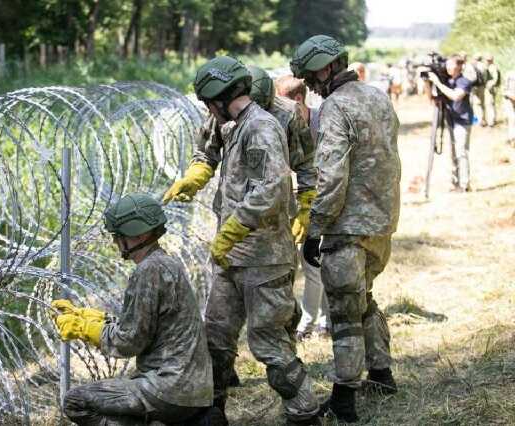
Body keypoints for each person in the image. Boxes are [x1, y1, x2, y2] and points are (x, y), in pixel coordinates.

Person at [163, 56, 321, 426]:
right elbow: (209, 152)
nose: (207, 110)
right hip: (232, 256)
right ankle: (210, 411)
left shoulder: (263, 126)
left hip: (265, 257)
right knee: (215, 337)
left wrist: (234, 228)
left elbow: (271, 188)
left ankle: (304, 414)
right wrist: (196, 176)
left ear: (219, 97)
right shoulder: (232, 123)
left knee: (270, 344)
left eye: (207, 102)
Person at [290, 35, 401, 422]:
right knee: (364, 299)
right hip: (382, 223)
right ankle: (382, 373)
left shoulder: (336, 107)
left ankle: (344, 399)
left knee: (344, 314)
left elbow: (332, 177)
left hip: (347, 227)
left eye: (310, 78)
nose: (311, 88)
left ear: (326, 68)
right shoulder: (378, 96)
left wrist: (316, 228)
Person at [53, 193, 214, 426]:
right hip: (192, 388)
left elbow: (129, 341)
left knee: (76, 401)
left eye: (118, 236)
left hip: (170, 388)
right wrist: (93, 317)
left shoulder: (149, 270)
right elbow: (143, 325)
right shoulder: (164, 263)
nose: (115, 242)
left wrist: (85, 329)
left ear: (139, 233)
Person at [275, 74, 331, 340]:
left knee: (314, 262)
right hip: (301, 204)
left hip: (326, 202)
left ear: (298, 99)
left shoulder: (324, 123)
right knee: (311, 263)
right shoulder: (287, 126)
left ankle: (312, 323)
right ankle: (320, 319)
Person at [428, 55, 474, 192]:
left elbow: (455, 96)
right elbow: (432, 98)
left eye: (451, 65)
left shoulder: (464, 81)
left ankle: (465, 184)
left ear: (459, 66)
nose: (447, 67)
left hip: (462, 120)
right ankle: (455, 182)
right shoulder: (448, 81)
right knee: (453, 153)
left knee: (461, 152)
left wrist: (438, 83)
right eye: (446, 65)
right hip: (451, 119)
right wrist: (429, 82)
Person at [469, 54, 488, 126]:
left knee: (472, 104)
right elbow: (485, 77)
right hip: (481, 87)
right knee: (481, 103)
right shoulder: (483, 66)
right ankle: (482, 120)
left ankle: (474, 120)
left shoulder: (471, 65)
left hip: (473, 87)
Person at [485, 54, 501, 127]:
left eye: (488, 60)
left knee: (490, 104)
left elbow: (495, 79)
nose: (487, 61)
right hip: (491, 88)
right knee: (490, 104)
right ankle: (492, 120)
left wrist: (489, 85)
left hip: (491, 89)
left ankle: (491, 122)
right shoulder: (491, 67)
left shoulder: (493, 67)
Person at [503, 69, 515, 146]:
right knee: (512, 120)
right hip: (510, 99)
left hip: (510, 98)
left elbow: (504, 89)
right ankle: (512, 139)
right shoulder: (509, 74)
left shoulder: (509, 73)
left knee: (511, 120)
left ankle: (512, 139)